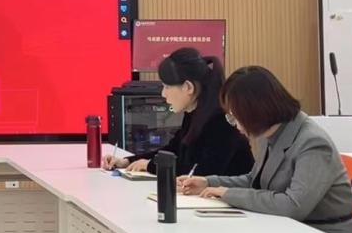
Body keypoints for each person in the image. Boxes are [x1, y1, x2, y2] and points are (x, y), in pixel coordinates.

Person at [180, 66, 352, 233]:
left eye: (235, 116)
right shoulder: (272, 132)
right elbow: (254, 180)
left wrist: (228, 194)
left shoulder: (313, 143)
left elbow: (293, 206)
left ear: (256, 110)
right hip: (288, 229)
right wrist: (209, 182)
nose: (234, 124)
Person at [102, 47, 253, 176]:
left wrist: (150, 166)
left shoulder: (220, 120)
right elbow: (173, 150)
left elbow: (202, 172)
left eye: (167, 87)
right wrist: (128, 161)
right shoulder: (194, 112)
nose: (163, 94)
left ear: (188, 87)